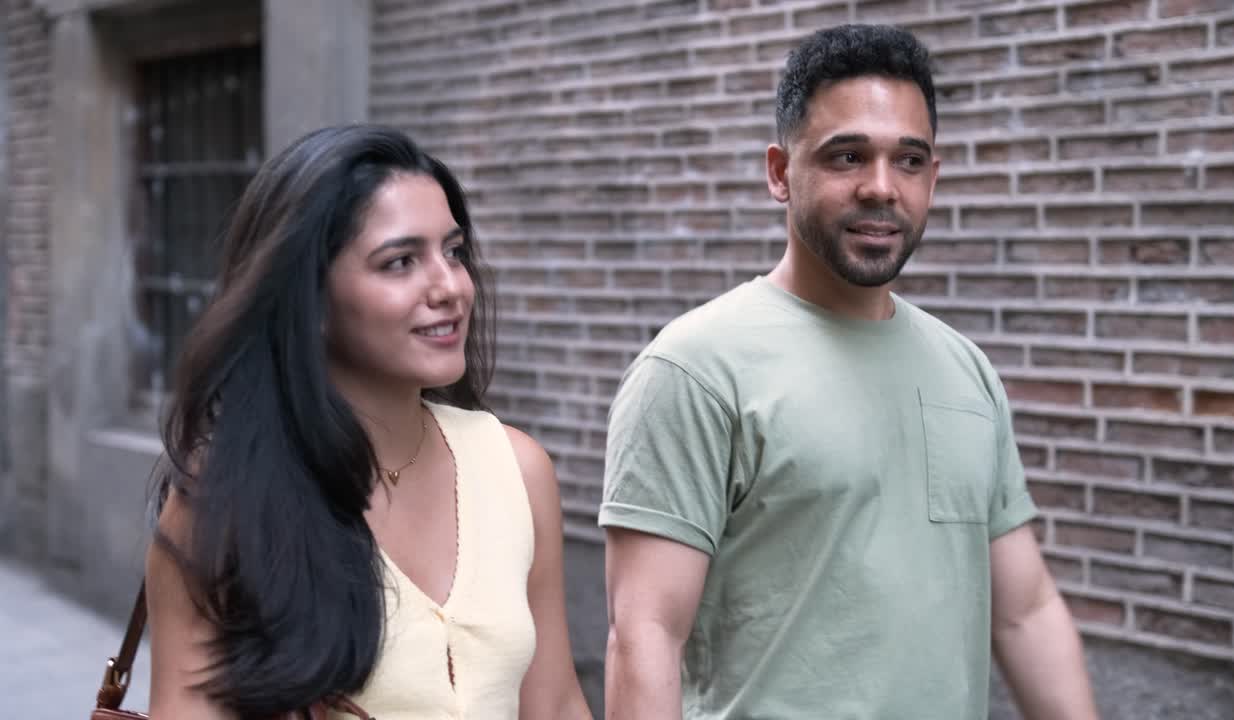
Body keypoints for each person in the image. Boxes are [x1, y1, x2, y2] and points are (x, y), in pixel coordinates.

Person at [599, 25, 1099, 719]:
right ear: (780, 171)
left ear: (934, 176)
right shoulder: (694, 369)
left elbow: (1026, 611)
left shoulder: (966, 369)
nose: (881, 188)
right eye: (847, 156)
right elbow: (645, 636)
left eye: (909, 160)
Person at [145, 124, 593, 720]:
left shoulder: (516, 467)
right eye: (400, 261)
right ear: (310, 297)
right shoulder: (219, 503)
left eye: (454, 252)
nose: (450, 287)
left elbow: (556, 703)